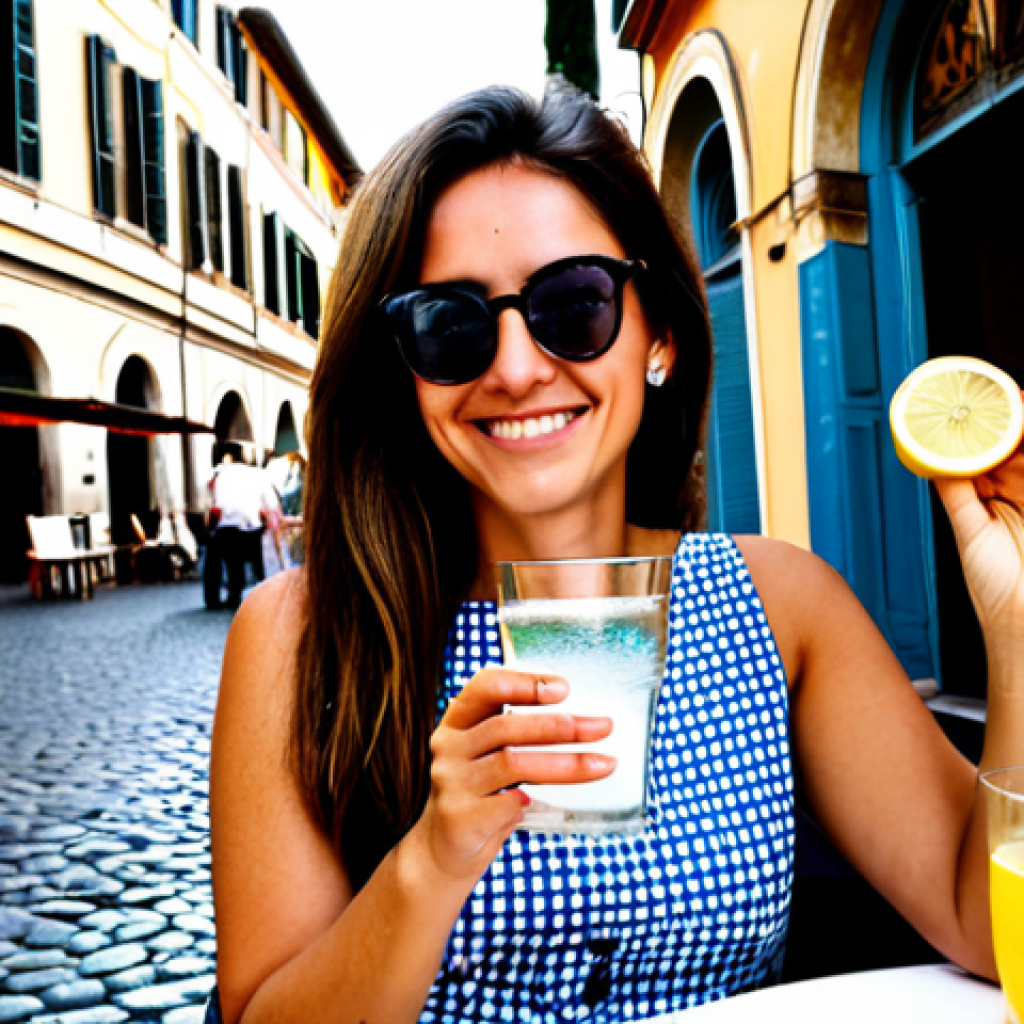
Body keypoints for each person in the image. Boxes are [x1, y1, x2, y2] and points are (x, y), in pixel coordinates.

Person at [207, 86, 1024, 1024]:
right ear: (405, 373)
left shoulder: (781, 605)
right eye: (451, 325)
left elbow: (985, 917)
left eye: (574, 303)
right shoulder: (300, 635)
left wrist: (1018, 631)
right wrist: (431, 858)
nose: (515, 368)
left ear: (660, 337)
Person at [206, 444, 278, 610]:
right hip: (251, 528)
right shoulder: (259, 474)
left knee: (228, 558)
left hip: (228, 527)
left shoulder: (222, 474)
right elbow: (271, 504)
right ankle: (262, 588)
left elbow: (216, 503)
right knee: (256, 557)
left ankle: (229, 595)